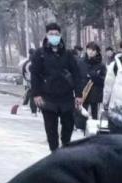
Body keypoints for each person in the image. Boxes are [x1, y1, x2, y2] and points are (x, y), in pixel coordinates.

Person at [30, 23, 84, 151]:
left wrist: (79, 94)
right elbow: (35, 75)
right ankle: (54, 152)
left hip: (66, 97)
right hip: (48, 97)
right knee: (51, 129)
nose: (54, 36)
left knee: (68, 126)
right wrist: (36, 94)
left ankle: (65, 148)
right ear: (46, 35)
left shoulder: (68, 54)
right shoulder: (39, 54)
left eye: (56, 34)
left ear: (60, 35)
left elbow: (76, 74)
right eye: (51, 34)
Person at [83, 42, 106, 120]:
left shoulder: (101, 65)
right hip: (83, 93)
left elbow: (104, 81)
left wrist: (95, 76)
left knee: (95, 116)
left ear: (97, 52)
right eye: (89, 49)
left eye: (93, 50)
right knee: (82, 115)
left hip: (95, 94)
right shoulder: (81, 62)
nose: (91, 52)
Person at [19, 47, 38, 114]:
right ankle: (34, 110)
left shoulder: (26, 62)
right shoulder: (35, 62)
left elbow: (23, 72)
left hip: (30, 80)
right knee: (34, 94)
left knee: (32, 94)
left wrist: (27, 80)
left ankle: (33, 110)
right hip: (34, 80)